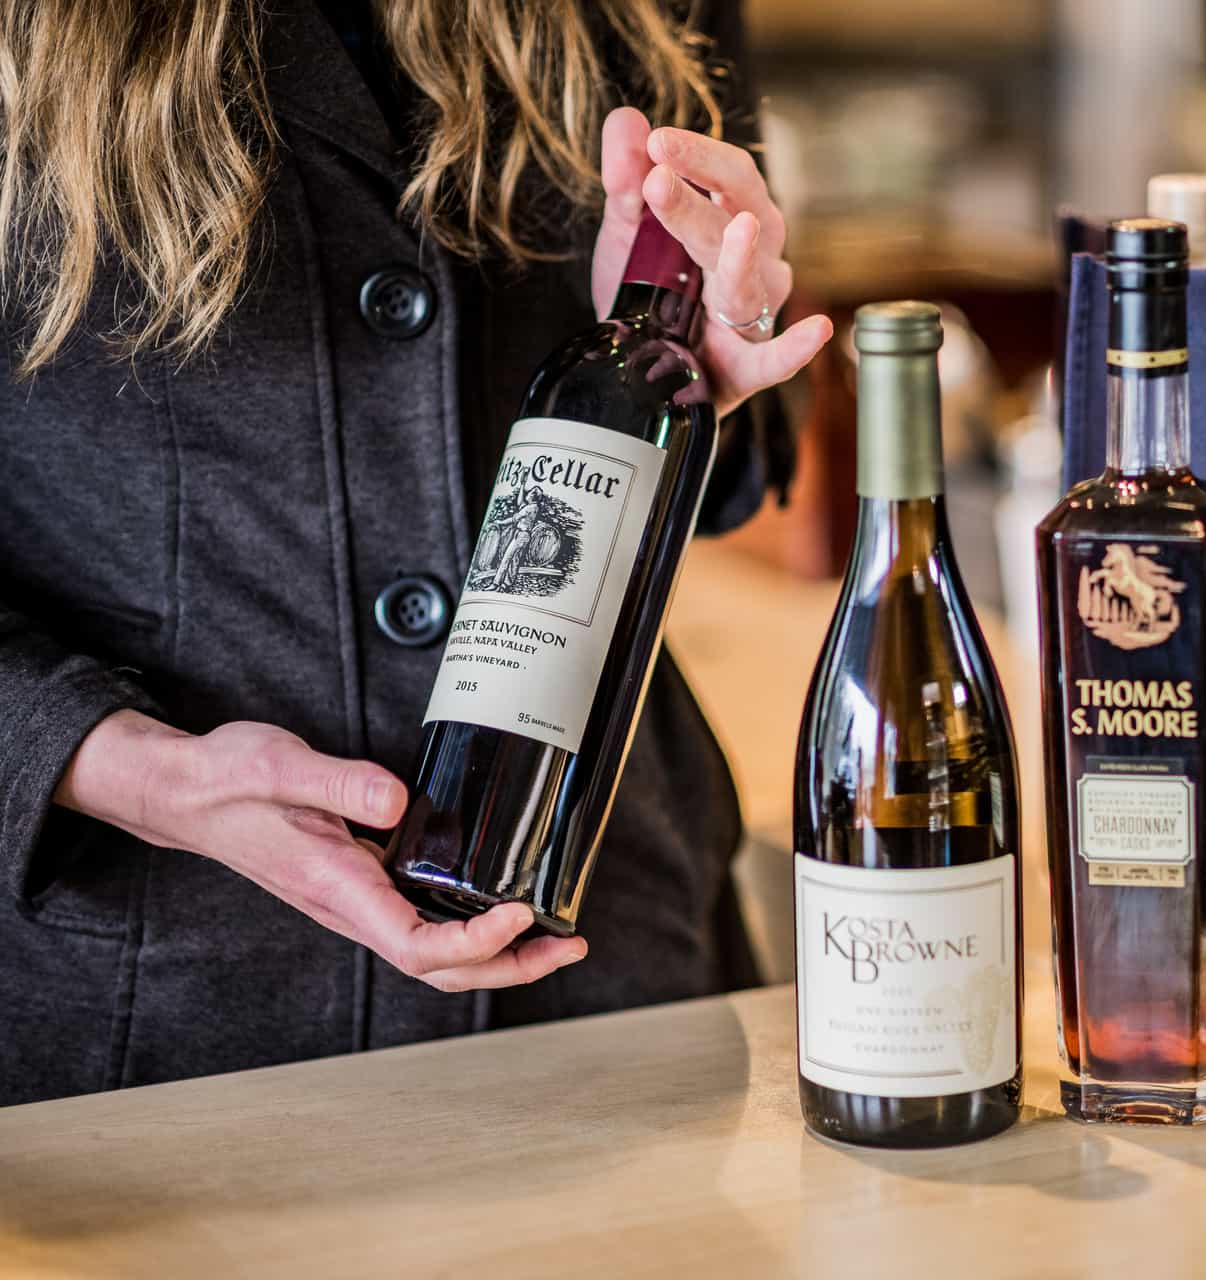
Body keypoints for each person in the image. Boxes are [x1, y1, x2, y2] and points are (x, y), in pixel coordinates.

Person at [0, 0, 830, 1105]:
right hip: (164, 1011)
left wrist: (700, 349)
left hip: (612, 965)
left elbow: (729, 471)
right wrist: (130, 769)